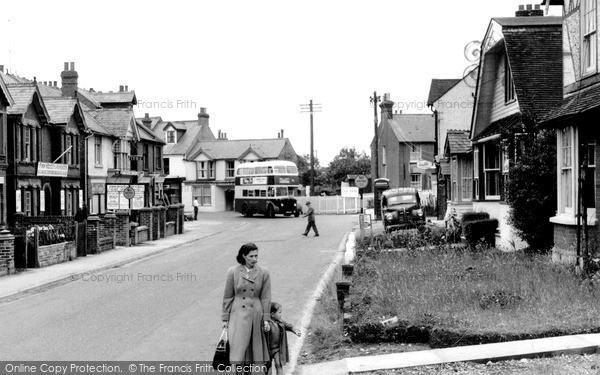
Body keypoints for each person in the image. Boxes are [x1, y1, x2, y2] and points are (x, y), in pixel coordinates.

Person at [222, 243, 271, 374]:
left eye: (256, 256)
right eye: (251, 256)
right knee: (237, 349)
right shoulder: (233, 272)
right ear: (244, 256)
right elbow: (228, 296)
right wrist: (225, 319)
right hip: (237, 314)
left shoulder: (263, 272)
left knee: (251, 350)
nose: (255, 259)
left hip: (256, 313)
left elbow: (266, 297)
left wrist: (266, 319)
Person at [266, 302, 301, 375]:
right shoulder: (267, 324)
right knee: (267, 366)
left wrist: (296, 331)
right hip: (267, 349)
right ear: (272, 314)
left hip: (277, 349)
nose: (281, 315)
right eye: (279, 313)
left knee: (278, 364)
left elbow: (289, 326)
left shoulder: (281, 322)